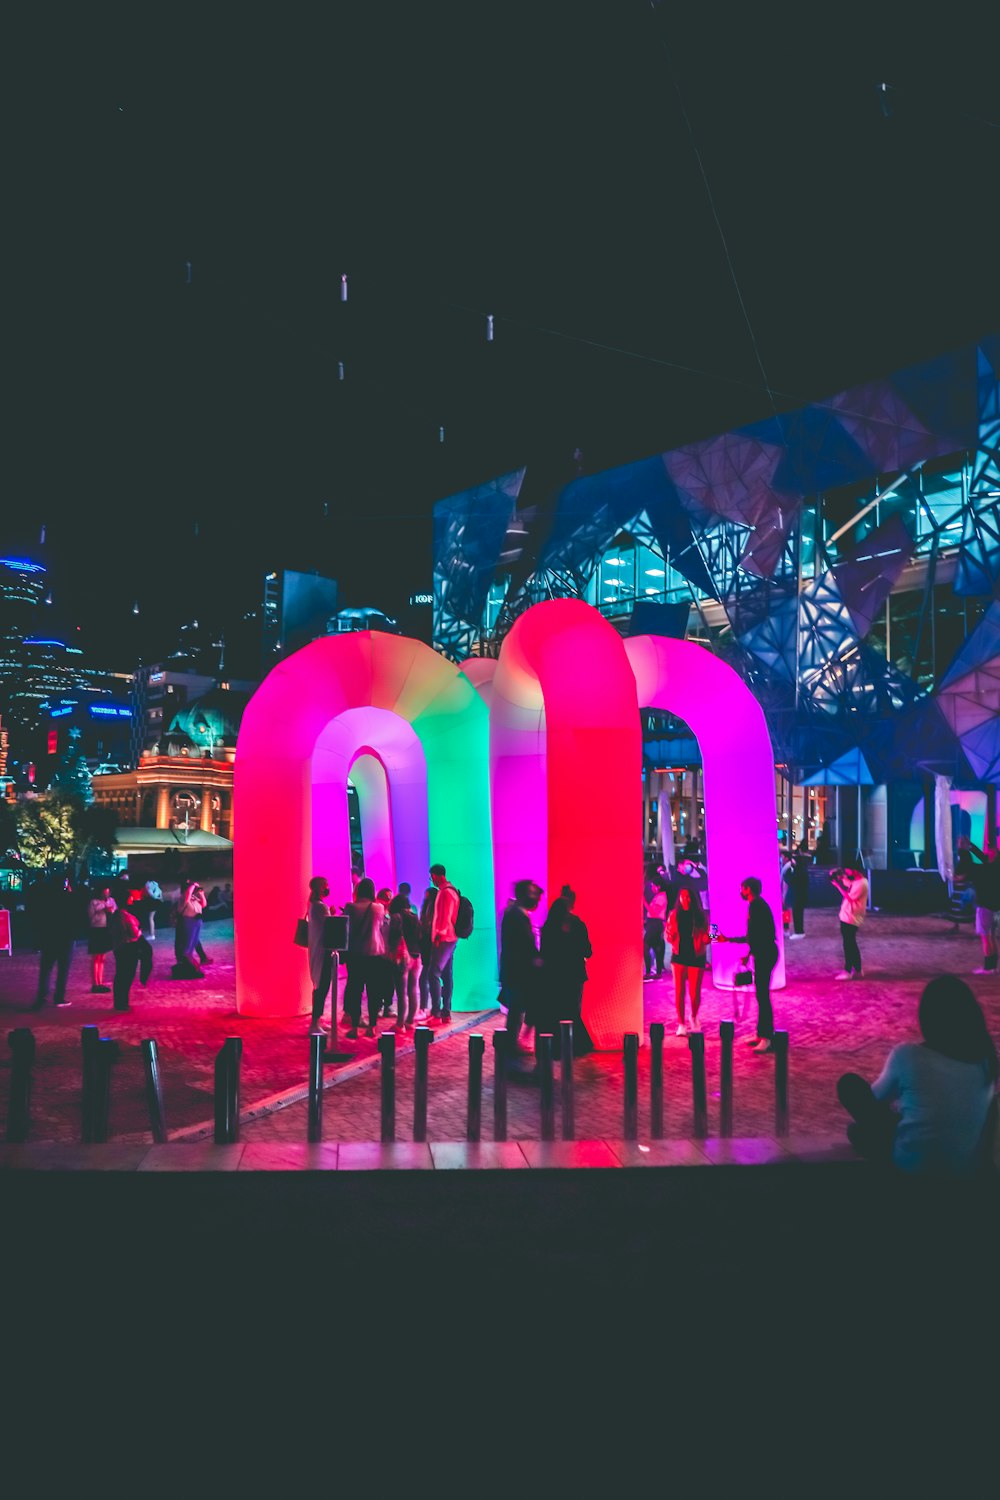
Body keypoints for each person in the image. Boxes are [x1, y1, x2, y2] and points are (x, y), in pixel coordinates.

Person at [837, 975, 998, 1174]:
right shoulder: (985, 1062)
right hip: (962, 1169)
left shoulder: (909, 1055)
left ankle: (868, 1137)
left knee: (850, 1086)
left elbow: (875, 1098)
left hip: (909, 1164)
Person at [716, 876, 778, 1053]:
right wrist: (749, 953)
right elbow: (758, 935)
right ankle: (762, 1033)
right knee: (761, 996)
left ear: (748, 889)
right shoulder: (757, 905)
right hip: (764, 953)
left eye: (742, 888)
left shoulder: (756, 906)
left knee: (763, 997)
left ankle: (766, 1037)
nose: (740, 892)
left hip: (765, 954)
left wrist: (728, 939)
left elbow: (756, 936)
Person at [539, 885, 594, 1057]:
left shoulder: (548, 926)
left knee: (556, 1011)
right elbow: (588, 951)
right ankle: (576, 1047)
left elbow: (544, 952)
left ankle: (556, 1048)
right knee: (572, 1011)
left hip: (554, 975)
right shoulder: (578, 924)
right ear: (572, 903)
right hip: (575, 975)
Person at [500, 879, 544, 1074]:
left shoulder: (516, 913)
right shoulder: (516, 915)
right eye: (532, 894)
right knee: (516, 1008)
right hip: (517, 971)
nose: (536, 898)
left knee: (517, 1010)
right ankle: (509, 1051)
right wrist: (538, 960)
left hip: (515, 970)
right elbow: (525, 945)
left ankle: (512, 1045)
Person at [341, 877, 387, 1039]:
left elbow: (346, 929)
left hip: (355, 954)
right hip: (375, 953)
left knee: (355, 989)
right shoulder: (378, 908)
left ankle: (354, 1027)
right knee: (374, 991)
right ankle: (372, 1027)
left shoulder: (350, 907)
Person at [665, 886, 710, 1035]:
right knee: (679, 992)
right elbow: (668, 933)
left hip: (696, 956)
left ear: (693, 898)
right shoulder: (673, 915)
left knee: (694, 993)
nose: (686, 899)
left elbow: (713, 932)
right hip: (678, 956)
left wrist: (708, 939)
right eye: (683, 896)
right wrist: (669, 937)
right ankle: (681, 1024)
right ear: (679, 898)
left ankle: (694, 1016)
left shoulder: (701, 915)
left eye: (689, 896)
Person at [31, 875, 78, 1010]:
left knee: (46, 969)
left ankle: (42, 997)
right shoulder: (69, 898)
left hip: (50, 937)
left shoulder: (47, 898)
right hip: (66, 938)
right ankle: (58, 997)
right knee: (63, 970)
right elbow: (75, 914)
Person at [426, 862, 459, 1024]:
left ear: (438, 875)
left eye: (432, 876)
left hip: (444, 939)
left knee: (433, 974)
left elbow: (445, 918)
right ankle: (445, 1012)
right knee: (446, 975)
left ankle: (436, 1013)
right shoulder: (452, 891)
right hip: (450, 939)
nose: (431, 879)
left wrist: (439, 935)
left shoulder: (446, 893)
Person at [387, 893, 422, 1034]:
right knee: (413, 989)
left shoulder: (396, 917)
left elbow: (393, 935)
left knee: (401, 993)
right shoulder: (415, 917)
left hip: (402, 957)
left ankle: (400, 1023)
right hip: (416, 956)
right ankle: (410, 1021)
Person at [965, 841, 1000, 974]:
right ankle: (993, 967)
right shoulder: (996, 867)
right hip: (995, 907)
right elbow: (983, 858)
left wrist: (965, 851)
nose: (987, 852)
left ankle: (988, 968)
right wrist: (971, 846)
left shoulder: (988, 869)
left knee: (985, 938)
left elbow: (971, 865)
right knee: (992, 937)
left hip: (985, 906)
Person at [306, 875, 335, 1031]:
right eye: (325, 885)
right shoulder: (319, 906)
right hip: (322, 952)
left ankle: (318, 1020)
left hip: (318, 950)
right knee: (321, 987)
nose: (327, 888)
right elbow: (329, 925)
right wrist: (332, 913)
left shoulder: (313, 905)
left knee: (321, 987)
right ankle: (314, 1023)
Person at [831, 862, 868, 979]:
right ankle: (857, 969)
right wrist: (838, 877)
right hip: (848, 915)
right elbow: (848, 884)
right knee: (850, 943)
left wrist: (837, 886)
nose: (847, 873)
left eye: (848, 871)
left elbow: (849, 897)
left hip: (852, 916)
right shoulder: (857, 881)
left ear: (855, 870)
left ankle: (848, 971)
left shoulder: (861, 883)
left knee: (849, 944)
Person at [110, 899, 144, 1011]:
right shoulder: (125, 916)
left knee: (120, 975)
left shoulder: (115, 915)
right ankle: (122, 1002)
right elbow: (134, 933)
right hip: (128, 947)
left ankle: (120, 1002)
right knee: (126, 975)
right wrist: (139, 931)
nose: (132, 900)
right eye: (130, 898)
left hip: (119, 947)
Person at [173, 877, 207, 978]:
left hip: (196, 922)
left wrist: (201, 894)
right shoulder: (183, 898)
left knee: (193, 942)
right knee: (187, 944)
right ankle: (186, 965)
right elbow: (187, 897)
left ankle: (189, 963)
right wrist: (192, 885)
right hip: (188, 922)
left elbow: (203, 904)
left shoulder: (193, 897)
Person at [87, 884, 117, 994]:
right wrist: (103, 908)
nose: (106, 894)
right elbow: (90, 917)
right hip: (96, 930)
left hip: (106, 929)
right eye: (104, 892)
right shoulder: (93, 902)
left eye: (108, 892)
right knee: (96, 957)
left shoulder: (111, 901)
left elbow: (116, 912)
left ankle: (100, 981)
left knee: (102, 957)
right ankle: (95, 983)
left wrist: (111, 910)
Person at [643, 867, 668, 980]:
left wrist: (643, 901)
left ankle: (649, 972)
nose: (652, 887)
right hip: (654, 923)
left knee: (646, 946)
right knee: (656, 947)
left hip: (655, 923)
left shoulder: (661, 897)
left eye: (654, 885)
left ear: (659, 886)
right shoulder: (659, 896)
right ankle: (657, 972)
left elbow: (653, 912)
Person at [416, 884, 437, 1019]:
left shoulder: (429, 911)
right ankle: (431, 1008)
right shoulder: (430, 910)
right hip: (429, 947)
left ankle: (425, 1008)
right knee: (428, 977)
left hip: (429, 947)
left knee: (425, 978)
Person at [788, 840, 810, 938]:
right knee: (798, 914)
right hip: (800, 896)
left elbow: (791, 880)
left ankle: (799, 932)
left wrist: (787, 873)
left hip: (798, 896)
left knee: (797, 914)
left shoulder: (798, 872)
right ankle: (799, 931)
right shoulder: (802, 870)